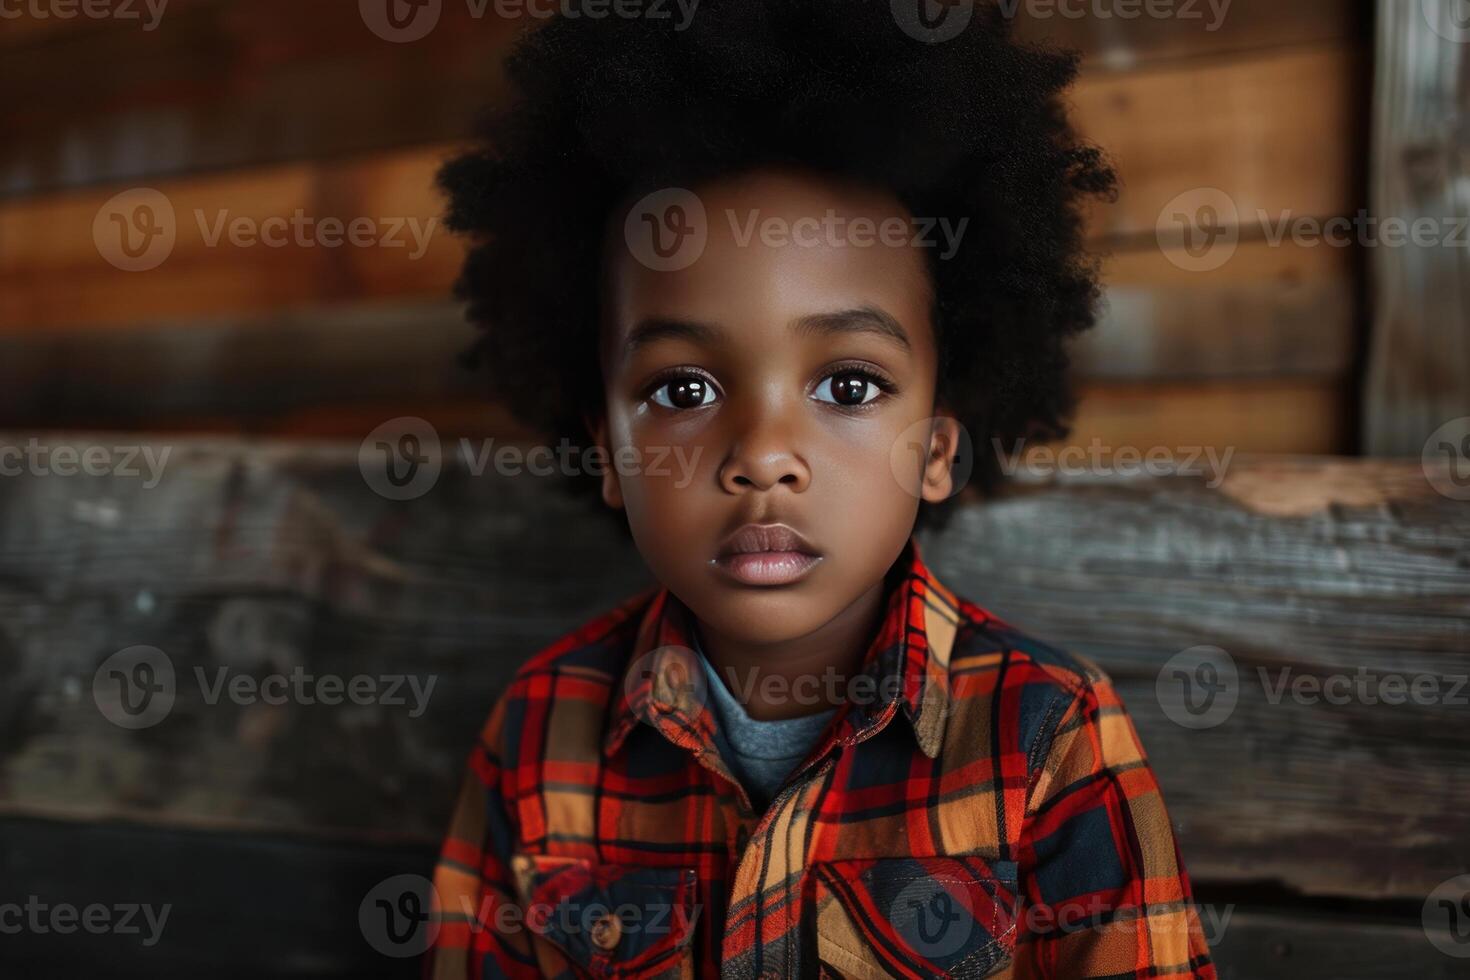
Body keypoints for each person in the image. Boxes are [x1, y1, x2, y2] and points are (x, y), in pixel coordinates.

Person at [424, 2, 1215, 976]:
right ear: (607, 450)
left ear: (937, 443)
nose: (763, 452)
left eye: (848, 384)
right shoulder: (538, 732)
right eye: (683, 388)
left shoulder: (1053, 737)